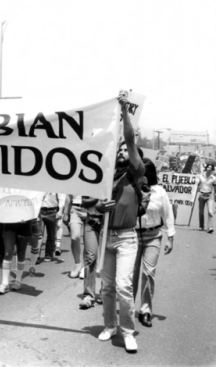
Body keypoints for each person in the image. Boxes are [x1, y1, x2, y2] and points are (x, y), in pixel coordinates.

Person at [95, 92, 144, 353]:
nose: (124, 150)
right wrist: (100, 207)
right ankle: (109, 325)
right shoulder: (104, 178)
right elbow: (94, 207)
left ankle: (127, 331)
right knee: (108, 287)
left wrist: (124, 111)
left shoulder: (135, 171)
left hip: (126, 238)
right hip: (107, 236)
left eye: (126, 149)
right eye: (120, 149)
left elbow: (129, 138)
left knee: (124, 286)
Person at [133, 158, 175, 327]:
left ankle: (145, 310)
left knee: (148, 273)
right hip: (133, 236)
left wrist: (170, 238)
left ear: (148, 173)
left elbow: (168, 214)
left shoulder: (159, 192)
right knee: (131, 274)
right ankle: (128, 309)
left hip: (153, 236)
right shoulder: (131, 189)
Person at [78, 196, 103, 309]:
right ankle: (89, 296)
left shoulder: (116, 181)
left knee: (106, 258)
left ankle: (104, 292)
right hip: (91, 222)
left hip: (108, 222)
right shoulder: (94, 181)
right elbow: (84, 201)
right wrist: (99, 197)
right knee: (90, 257)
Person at [39, 193, 66, 262]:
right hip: (40, 211)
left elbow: (62, 199)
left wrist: (60, 211)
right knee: (39, 235)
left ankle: (49, 255)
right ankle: (36, 255)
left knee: (51, 235)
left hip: (53, 211)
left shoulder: (57, 184)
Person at [197, 163, 215, 233]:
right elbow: (196, 184)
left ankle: (210, 227)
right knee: (201, 212)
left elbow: (215, 189)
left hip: (209, 196)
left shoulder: (213, 178)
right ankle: (201, 226)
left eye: (211, 168)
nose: (209, 169)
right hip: (201, 195)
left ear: (212, 170)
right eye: (208, 168)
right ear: (206, 168)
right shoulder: (201, 176)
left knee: (210, 212)